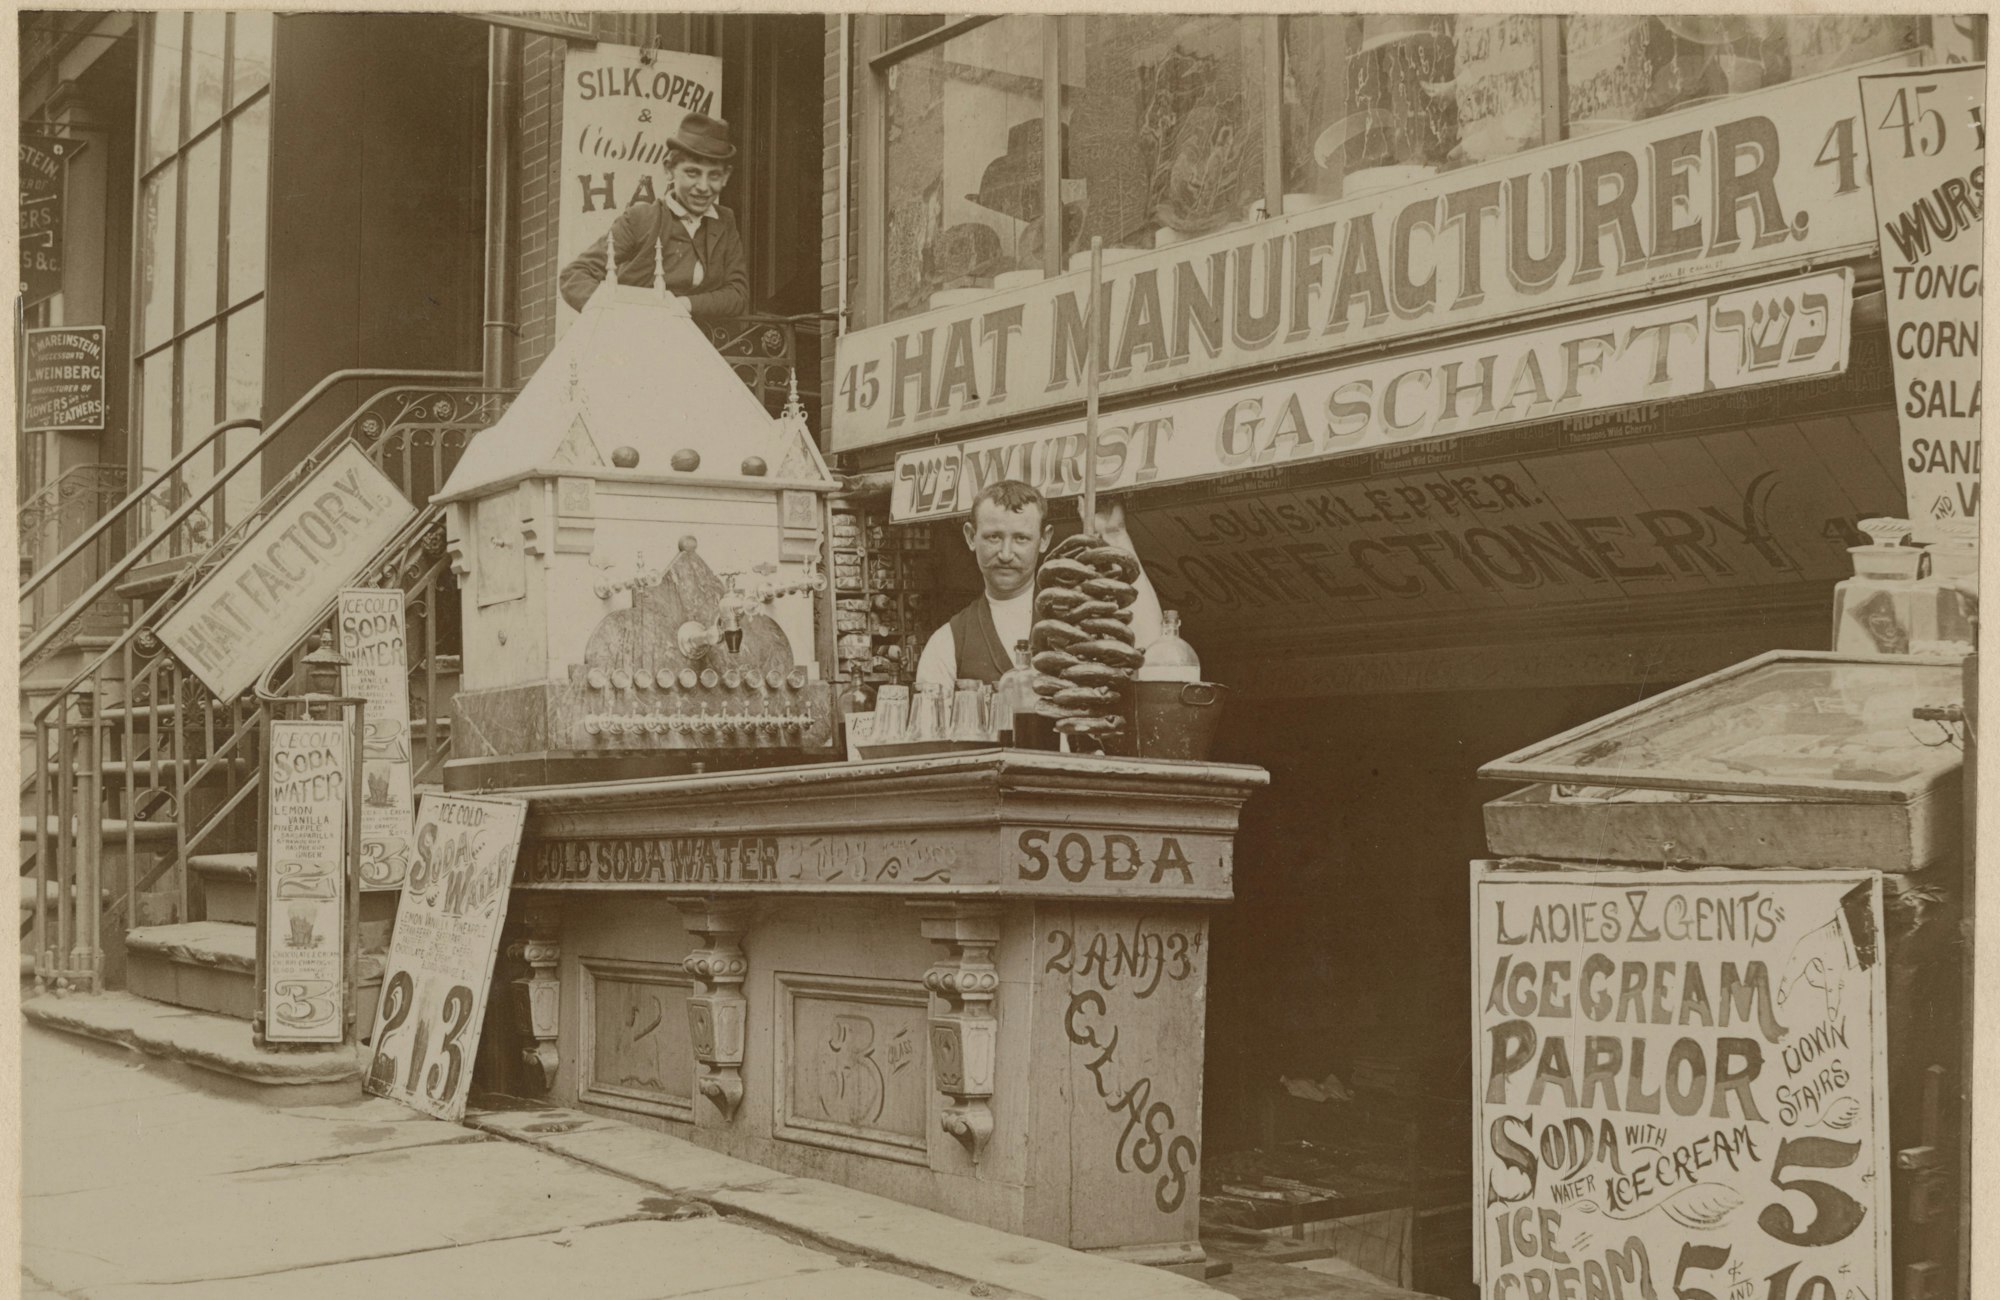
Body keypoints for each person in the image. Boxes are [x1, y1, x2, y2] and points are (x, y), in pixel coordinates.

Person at [914, 479, 1162, 692]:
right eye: (993, 537)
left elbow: (1152, 649)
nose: (1006, 554)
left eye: (1021, 538)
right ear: (970, 536)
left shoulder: (1078, 612)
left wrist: (1114, 535)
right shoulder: (947, 642)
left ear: (1044, 539)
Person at [558, 111, 749, 319]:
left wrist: (682, 305)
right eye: (692, 173)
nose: (703, 186)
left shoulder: (724, 222)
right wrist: (621, 312)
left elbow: (737, 294)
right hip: (637, 333)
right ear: (669, 170)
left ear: (726, 176)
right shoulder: (641, 219)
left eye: (714, 175)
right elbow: (574, 276)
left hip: (697, 336)